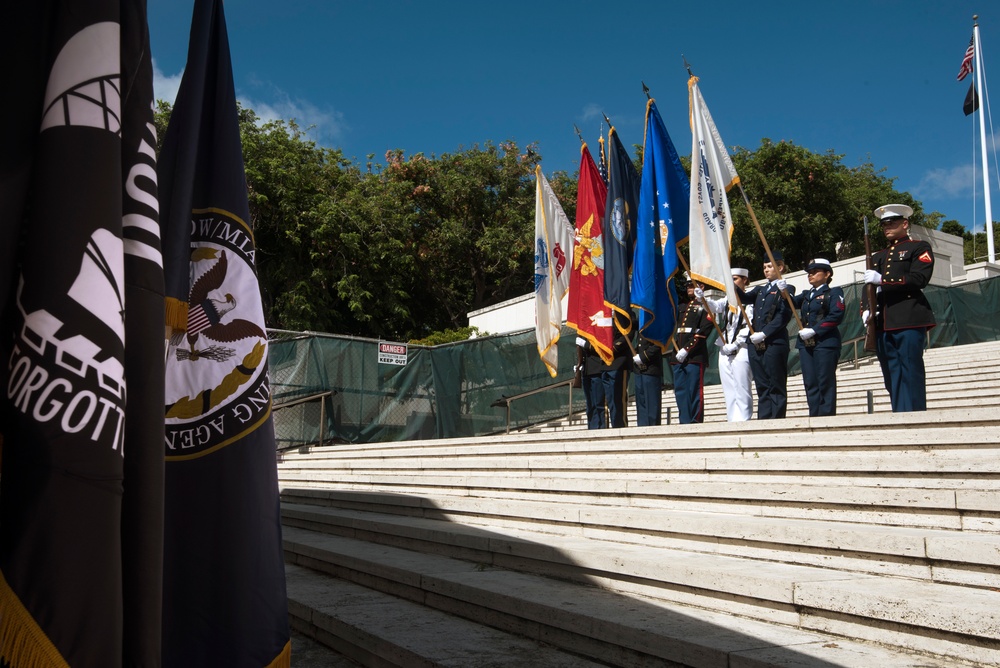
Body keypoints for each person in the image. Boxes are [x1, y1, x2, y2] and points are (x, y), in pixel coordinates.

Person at [863, 204, 935, 412]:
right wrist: (866, 308)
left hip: (908, 318)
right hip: (883, 323)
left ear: (905, 224)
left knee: (910, 369)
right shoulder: (877, 256)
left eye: (892, 222)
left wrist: (883, 279)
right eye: (884, 224)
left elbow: (919, 278)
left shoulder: (919, 247)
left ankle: (914, 415)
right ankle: (899, 413)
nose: (887, 227)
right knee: (891, 372)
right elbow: (867, 288)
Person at [740, 251, 795, 420]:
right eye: (764, 267)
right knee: (762, 384)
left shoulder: (786, 288)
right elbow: (744, 297)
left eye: (770, 266)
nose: (766, 270)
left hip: (774, 342)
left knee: (776, 383)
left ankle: (777, 419)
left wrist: (764, 333)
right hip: (756, 344)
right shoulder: (760, 290)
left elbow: (784, 315)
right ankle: (764, 419)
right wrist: (731, 283)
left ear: (780, 267)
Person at [786, 258, 844, 416]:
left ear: (827, 274)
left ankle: (826, 416)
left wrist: (815, 330)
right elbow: (789, 302)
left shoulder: (834, 292)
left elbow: (836, 315)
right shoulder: (806, 295)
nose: (810, 275)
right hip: (806, 344)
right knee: (810, 381)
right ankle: (815, 414)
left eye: (815, 272)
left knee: (825, 380)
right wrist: (785, 290)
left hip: (825, 342)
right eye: (809, 273)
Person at [697, 268, 754, 421]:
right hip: (725, 346)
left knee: (742, 385)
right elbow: (714, 307)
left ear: (744, 280)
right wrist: (703, 299)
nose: (732, 283)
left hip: (741, 347)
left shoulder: (750, 300)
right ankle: (732, 418)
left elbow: (748, 326)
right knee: (728, 386)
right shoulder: (728, 300)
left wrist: (735, 344)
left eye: (735, 279)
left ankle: (744, 418)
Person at [670, 279, 714, 423]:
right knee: (681, 391)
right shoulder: (683, 306)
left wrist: (686, 349)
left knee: (694, 390)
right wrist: (678, 350)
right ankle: (684, 420)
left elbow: (703, 331)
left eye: (691, 285)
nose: (688, 288)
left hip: (694, 355)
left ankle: (695, 420)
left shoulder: (705, 305)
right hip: (678, 355)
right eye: (687, 285)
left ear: (700, 286)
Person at [632, 333, 663, 426]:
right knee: (641, 405)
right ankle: (642, 428)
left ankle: (652, 429)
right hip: (639, 369)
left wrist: (643, 357)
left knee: (652, 405)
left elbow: (659, 344)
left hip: (651, 368)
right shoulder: (642, 325)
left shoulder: (656, 323)